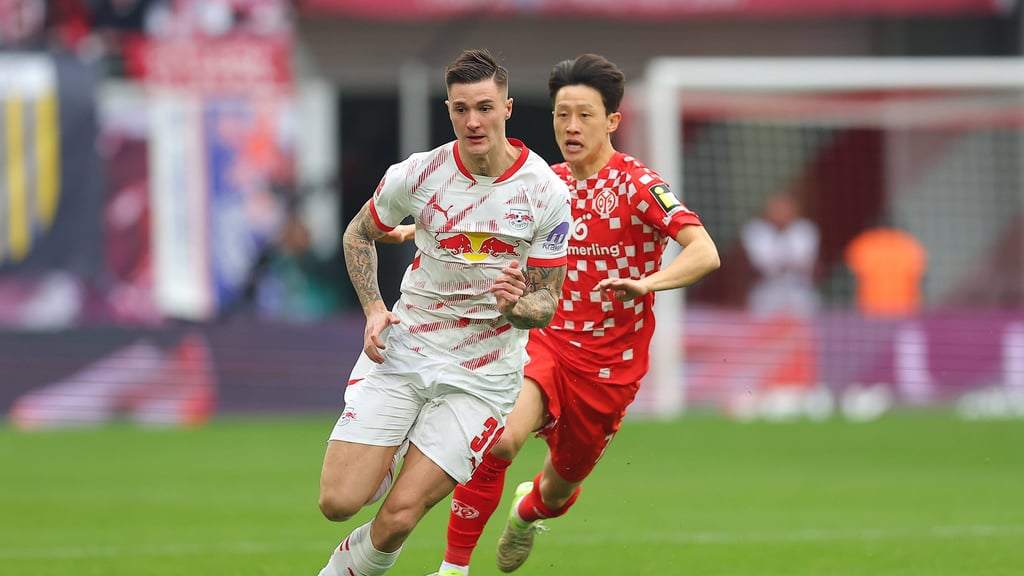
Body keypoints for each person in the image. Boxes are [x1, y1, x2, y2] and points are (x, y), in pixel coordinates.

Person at [425, 53, 720, 576]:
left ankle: (525, 513)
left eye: (584, 114)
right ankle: (454, 568)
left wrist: (648, 282)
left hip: (610, 368)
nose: (571, 126)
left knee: (558, 490)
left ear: (612, 121)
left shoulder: (637, 185)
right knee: (500, 439)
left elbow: (704, 252)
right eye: (562, 114)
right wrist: (424, 234)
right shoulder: (543, 184)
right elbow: (486, 230)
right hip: (546, 340)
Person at [314, 48, 571, 576]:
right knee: (338, 502)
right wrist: (372, 309)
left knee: (398, 519)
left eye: (484, 107)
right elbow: (359, 232)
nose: (472, 121)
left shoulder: (545, 191)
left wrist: (517, 306)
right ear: (449, 110)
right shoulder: (418, 173)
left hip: (481, 377)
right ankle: (392, 450)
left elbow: (546, 301)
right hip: (406, 349)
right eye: (460, 109)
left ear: (507, 107)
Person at [739, 192, 820, 318]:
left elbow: (803, 261)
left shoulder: (805, 229)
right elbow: (764, 263)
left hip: (798, 291)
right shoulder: (756, 230)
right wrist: (785, 259)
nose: (781, 213)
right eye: (777, 209)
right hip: (767, 291)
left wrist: (781, 259)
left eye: (785, 208)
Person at [845, 222, 927, 317]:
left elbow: (851, 275)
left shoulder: (865, 243)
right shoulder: (908, 243)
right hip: (902, 307)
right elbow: (920, 277)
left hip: (872, 307)